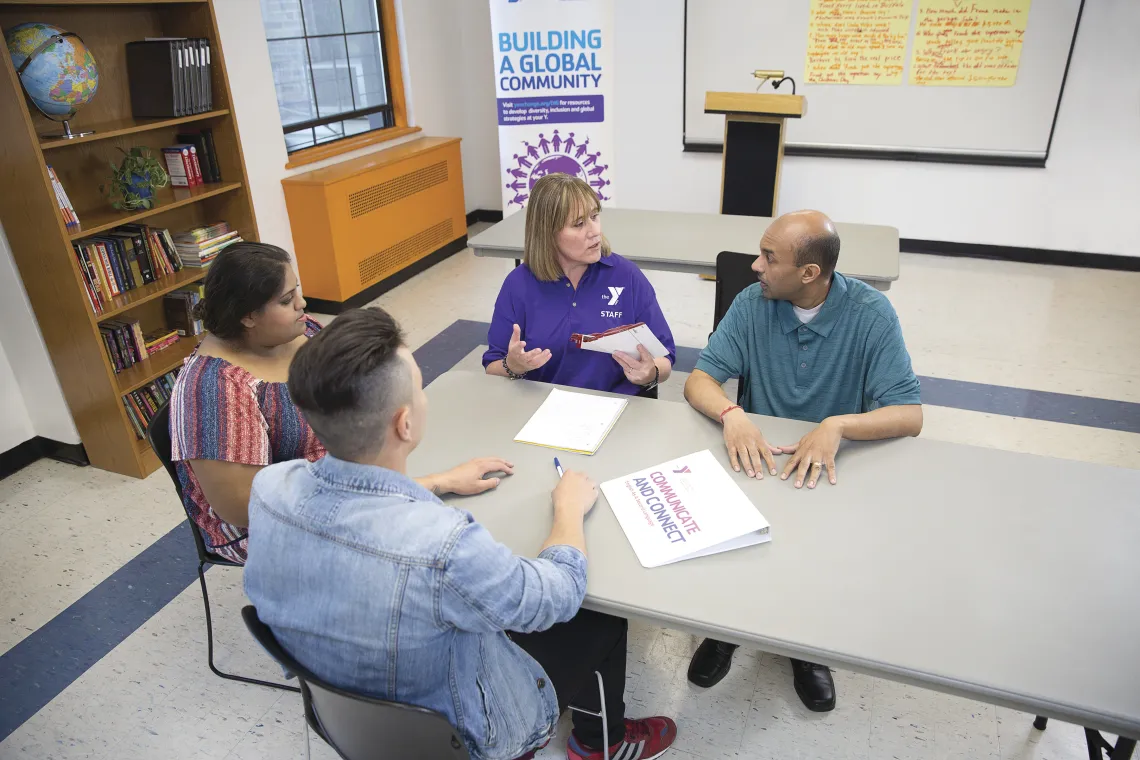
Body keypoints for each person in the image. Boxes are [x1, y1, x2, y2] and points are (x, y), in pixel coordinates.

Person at [243, 307, 678, 760]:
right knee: (598, 614)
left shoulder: (272, 488)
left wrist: (436, 481)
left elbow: (349, 501)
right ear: (405, 424)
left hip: (346, 721)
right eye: (420, 388)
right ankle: (598, 743)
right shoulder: (443, 546)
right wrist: (567, 512)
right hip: (464, 734)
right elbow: (555, 597)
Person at [683, 210, 923, 711]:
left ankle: (806, 647)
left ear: (810, 273)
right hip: (759, 458)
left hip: (828, 467)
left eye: (769, 258)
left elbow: (909, 414)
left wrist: (838, 425)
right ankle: (727, 629)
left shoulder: (871, 314)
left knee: (817, 556)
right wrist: (731, 413)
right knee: (737, 541)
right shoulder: (752, 302)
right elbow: (700, 380)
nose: (755, 266)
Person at [169, 244, 508, 564]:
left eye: (297, 290)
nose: (302, 304)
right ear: (247, 316)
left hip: (343, 478)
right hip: (275, 523)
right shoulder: (212, 390)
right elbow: (246, 507)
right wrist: (433, 482)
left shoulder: (300, 332)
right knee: (431, 549)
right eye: (286, 300)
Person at [484, 173, 676, 397]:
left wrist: (651, 372)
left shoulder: (626, 276)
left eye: (594, 216)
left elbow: (665, 358)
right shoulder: (518, 285)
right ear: (547, 233)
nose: (595, 231)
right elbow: (492, 366)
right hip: (543, 406)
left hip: (618, 405)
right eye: (579, 224)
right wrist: (512, 366)